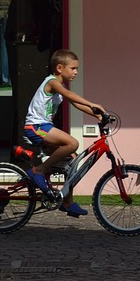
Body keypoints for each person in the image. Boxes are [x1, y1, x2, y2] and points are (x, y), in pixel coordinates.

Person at [24, 48, 105, 218]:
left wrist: (98, 114)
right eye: (73, 68)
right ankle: (39, 170)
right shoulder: (52, 81)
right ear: (60, 68)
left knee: (73, 161)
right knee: (73, 143)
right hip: (36, 126)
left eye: (77, 68)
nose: (76, 72)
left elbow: (75, 104)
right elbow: (70, 95)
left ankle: (67, 202)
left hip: (44, 127)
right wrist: (92, 104)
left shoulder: (60, 87)